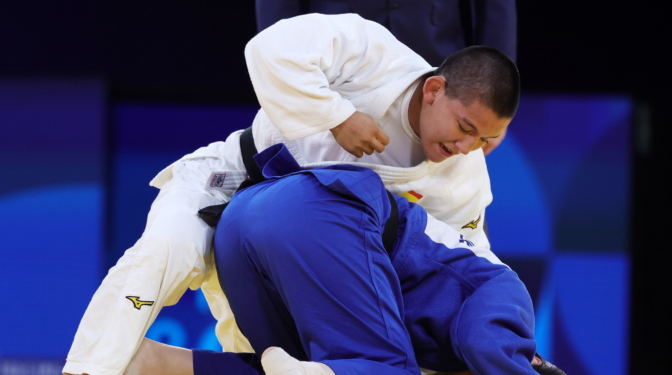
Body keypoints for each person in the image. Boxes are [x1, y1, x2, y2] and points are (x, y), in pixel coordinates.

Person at [64, 13, 519, 375]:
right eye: (464, 128)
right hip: (231, 180)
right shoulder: (374, 53)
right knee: (164, 252)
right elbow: (268, 49)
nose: (465, 148)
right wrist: (336, 114)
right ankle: (91, 368)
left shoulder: (466, 177)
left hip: (290, 252)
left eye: (484, 141)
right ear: (436, 88)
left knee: (270, 357)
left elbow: (460, 258)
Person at [123, 144, 565, 375]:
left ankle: (155, 363)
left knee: (324, 368)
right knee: (388, 371)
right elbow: (486, 345)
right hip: (319, 212)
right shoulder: (505, 293)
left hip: (242, 229)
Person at [255, 0, 518, 155]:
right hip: (335, 69)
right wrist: (286, 75)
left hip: (440, 63)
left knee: (452, 214)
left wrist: (496, 97)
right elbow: (274, 40)